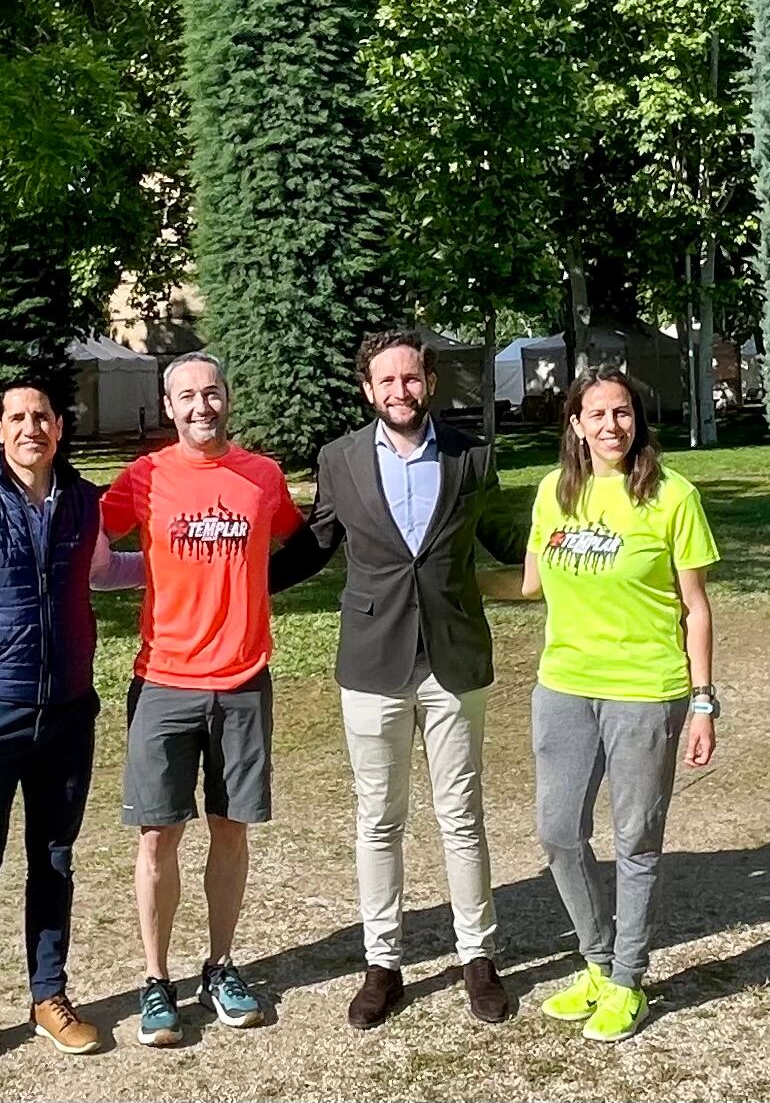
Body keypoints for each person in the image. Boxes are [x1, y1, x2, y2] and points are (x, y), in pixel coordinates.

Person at [271, 329, 528, 1030]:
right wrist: (246, 581)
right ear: (368, 390)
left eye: (410, 379)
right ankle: (382, 962)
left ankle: (478, 955)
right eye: (386, 382)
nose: (400, 392)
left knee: (462, 815)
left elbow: (506, 537)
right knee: (378, 820)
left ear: (430, 383)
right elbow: (319, 540)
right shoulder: (341, 459)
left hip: (454, 660)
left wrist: (580, 549)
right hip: (373, 662)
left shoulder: (471, 454)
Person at [0, 378, 142, 1075]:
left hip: (68, 713)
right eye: (17, 417)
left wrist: (174, 568)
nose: (30, 427)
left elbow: (99, 571)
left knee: (55, 859)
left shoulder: (82, 502)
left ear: (59, 428)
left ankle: (50, 996)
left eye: (41, 416)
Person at [100, 351, 304, 1047]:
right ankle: (156, 980)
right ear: (167, 405)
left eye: (211, 392)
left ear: (227, 398)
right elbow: (90, 546)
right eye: (186, 396)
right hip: (164, 680)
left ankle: (220, 965)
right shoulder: (145, 476)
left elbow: (299, 546)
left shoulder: (263, 477)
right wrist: (140, 569)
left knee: (230, 827)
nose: (200, 406)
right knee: (157, 834)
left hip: (243, 680)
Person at [521, 363, 719, 1043]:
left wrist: (703, 702)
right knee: (557, 832)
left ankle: (628, 978)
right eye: (598, 413)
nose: (612, 425)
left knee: (636, 840)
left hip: (646, 691)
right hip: (564, 686)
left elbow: (696, 608)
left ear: (638, 420)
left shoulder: (672, 496)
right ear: (575, 423)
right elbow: (527, 582)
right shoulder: (553, 493)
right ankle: (598, 959)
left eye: (624, 413)